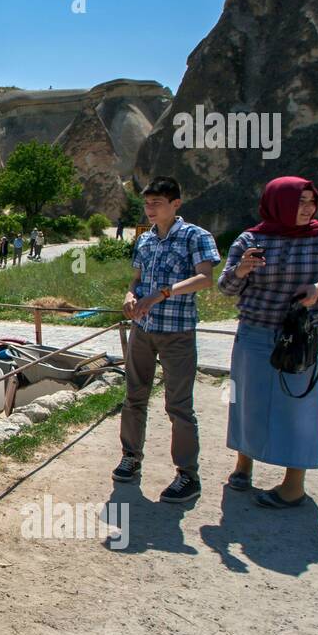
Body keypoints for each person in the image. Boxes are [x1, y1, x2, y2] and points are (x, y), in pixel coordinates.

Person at [218, 177, 318, 508]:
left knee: (299, 407)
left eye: (311, 201)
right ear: (279, 203)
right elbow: (225, 287)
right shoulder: (251, 239)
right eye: (299, 202)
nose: (307, 208)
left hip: (303, 336)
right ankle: (243, 464)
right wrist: (240, 271)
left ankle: (293, 485)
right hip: (255, 332)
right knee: (247, 400)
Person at [113, 177, 220, 503]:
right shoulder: (145, 241)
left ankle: (187, 474)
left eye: (156, 204)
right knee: (134, 396)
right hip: (143, 330)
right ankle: (131, 455)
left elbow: (205, 278)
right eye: (147, 204)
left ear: (175, 204)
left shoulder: (195, 236)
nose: (150, 210)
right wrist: (130, 296)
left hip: (177, 333)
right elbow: (136, 279)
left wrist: (164, 294)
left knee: (178, 405)